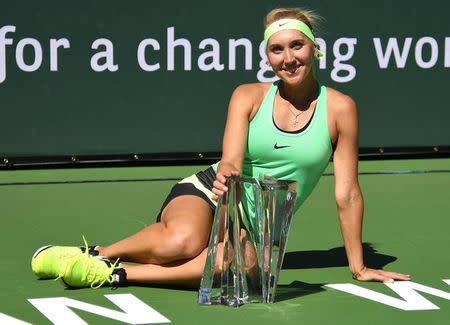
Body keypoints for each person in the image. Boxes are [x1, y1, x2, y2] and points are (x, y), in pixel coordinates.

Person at [31, 7, 411, 289]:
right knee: (183, 242)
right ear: (267, 57)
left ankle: (113, 275)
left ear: (315, 49)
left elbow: (346, 193)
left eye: (297, 45)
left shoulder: (342, 109)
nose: (288, 58)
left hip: (261, 221)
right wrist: (228, 172)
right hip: (212, 192)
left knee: (236, 264)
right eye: (277, 50)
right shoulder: (247, 96)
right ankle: (96, 254)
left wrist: (358, 267)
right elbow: (230, 160)